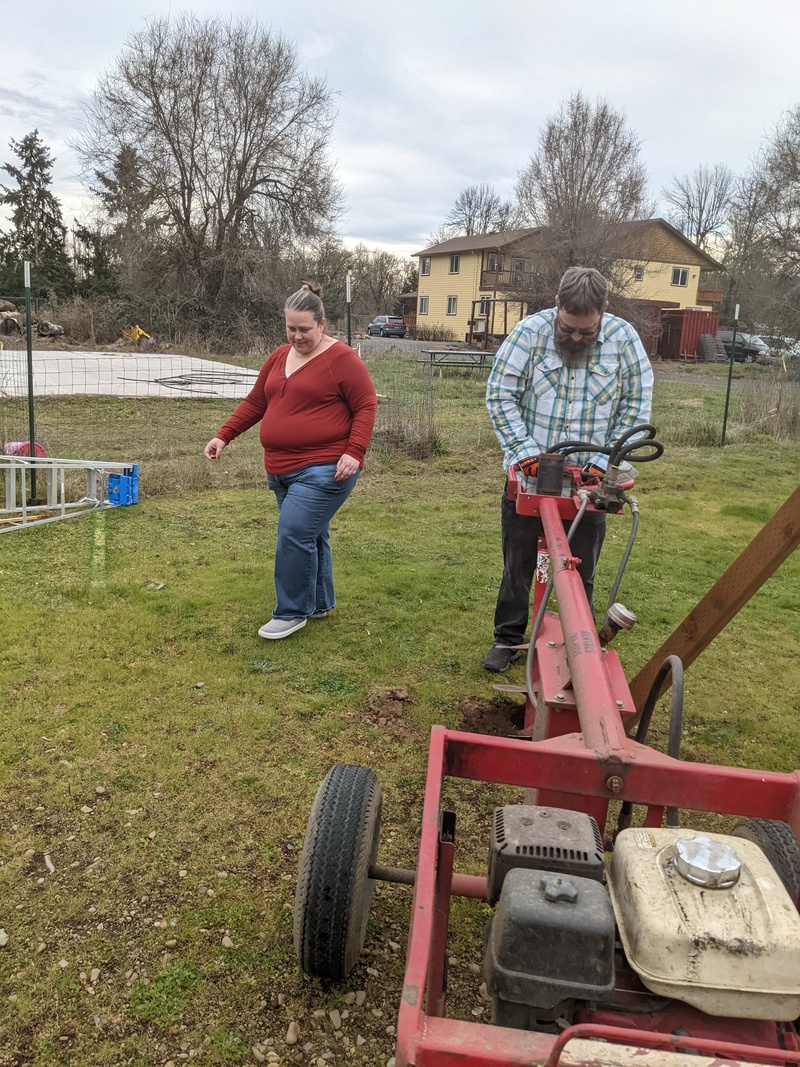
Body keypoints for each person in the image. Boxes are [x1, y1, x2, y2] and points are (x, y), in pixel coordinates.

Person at [483, 266, 653, 673]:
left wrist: (602, 464)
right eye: (568, 329)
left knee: (582, 568)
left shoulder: (625, 340)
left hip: (589, 484)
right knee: (519, 562)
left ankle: (581, 644)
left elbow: (635, 408)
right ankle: (508, 638)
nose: (576, 337)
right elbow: (500, 394)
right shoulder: (528, 334)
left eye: (586, 332)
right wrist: (525, 452)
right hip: (529, 476)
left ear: (603, 312)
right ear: (557, 306)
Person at [204, 284, 378, 640]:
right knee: (310, 535)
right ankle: (318, 603)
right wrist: (224, 434)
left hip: (326, 466)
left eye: (304, 329)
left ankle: (290, 612)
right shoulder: (279, 356)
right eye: (291, 328)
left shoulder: (342, 359)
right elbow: (256, 402)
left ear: (322, 324)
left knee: (294, 533)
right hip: (280, 468)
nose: (297, 336)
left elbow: (366, 405)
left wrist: (354, 452)